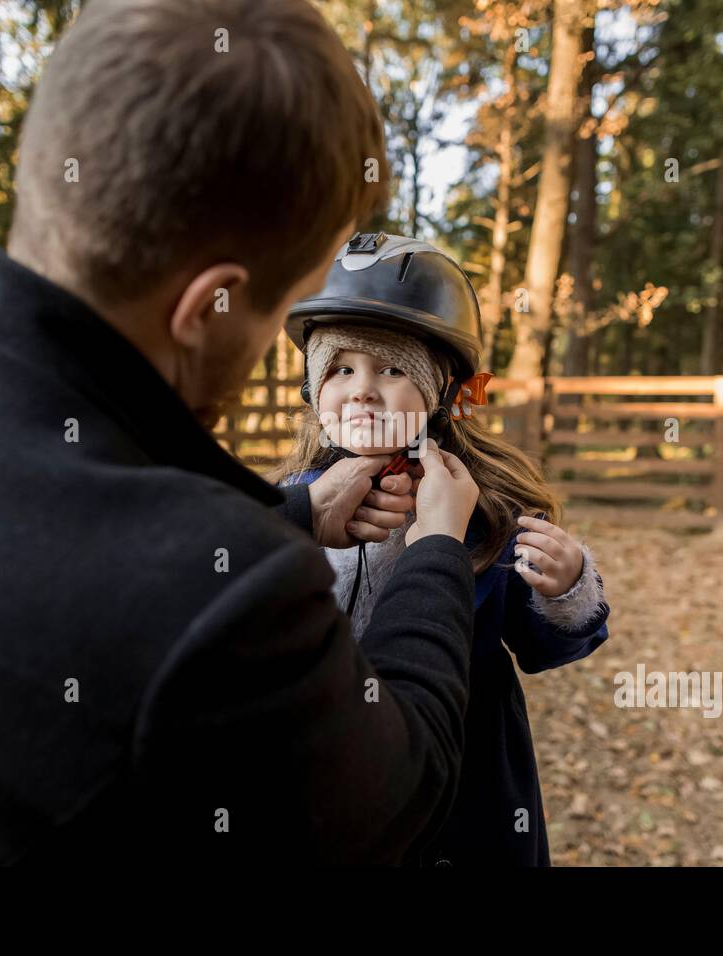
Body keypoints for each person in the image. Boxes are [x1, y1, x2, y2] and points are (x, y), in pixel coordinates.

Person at [0, 0, 482, 865]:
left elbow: (46, 563)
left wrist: (296, 515)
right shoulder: (224, 601)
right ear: (201, 308)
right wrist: (438, 548)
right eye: (276, 314)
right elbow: (402, 795)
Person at [275, 234, 611, 865]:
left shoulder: (480, 509)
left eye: (392, 369)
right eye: (341, 369)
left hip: (469, 789)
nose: (362, 390)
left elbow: (541, 647)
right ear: (312, 391)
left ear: (444, 393)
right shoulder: (290, 503)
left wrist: (565, 588)